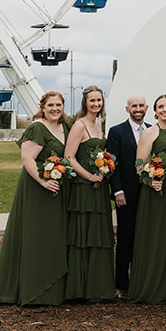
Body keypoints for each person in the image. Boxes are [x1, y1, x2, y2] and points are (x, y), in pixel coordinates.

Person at [0, 90, 69, 306]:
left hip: (57, 187)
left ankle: (51, 286)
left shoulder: (65, 127)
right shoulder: (37, 127)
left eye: (58, 105)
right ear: (42, 107)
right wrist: (43, 181)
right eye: (50, 105)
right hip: (36, 188)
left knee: (52, 236)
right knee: (35, 234)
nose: (54, 109)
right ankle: (31, 289)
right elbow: (27, 158)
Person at [62, 85, 115, 302]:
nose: (96, 104)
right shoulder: (79, 125)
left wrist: (103, 171)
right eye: (92, 101)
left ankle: (98, 287)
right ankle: (79, 289)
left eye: (99, 100)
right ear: (85, 103)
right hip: (84, 188)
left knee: (98, 235)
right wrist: (89, 176)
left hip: (99, 187)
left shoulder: (99, 124)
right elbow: (69, 157)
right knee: (83, 235)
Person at [128, 94, 166, 305]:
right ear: (155, 110)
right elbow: (139, 165)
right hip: (156, 192)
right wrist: (150, 182)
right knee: (157, 236)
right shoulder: (150, 133)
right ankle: (153, 287)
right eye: (161, 106)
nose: (165, 109)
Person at [106, 94, 149, 298]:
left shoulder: (152, 130)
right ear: (127, 109)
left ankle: (142, 281)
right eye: (134, 106)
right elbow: (112, 164)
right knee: (125, 239)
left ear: (147, 107)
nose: (138, 109)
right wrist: (118, 191)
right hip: (126, 194)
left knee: (145, 238)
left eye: (141, 105)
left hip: (149, 195)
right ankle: (122, 284)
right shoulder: (116, 132)